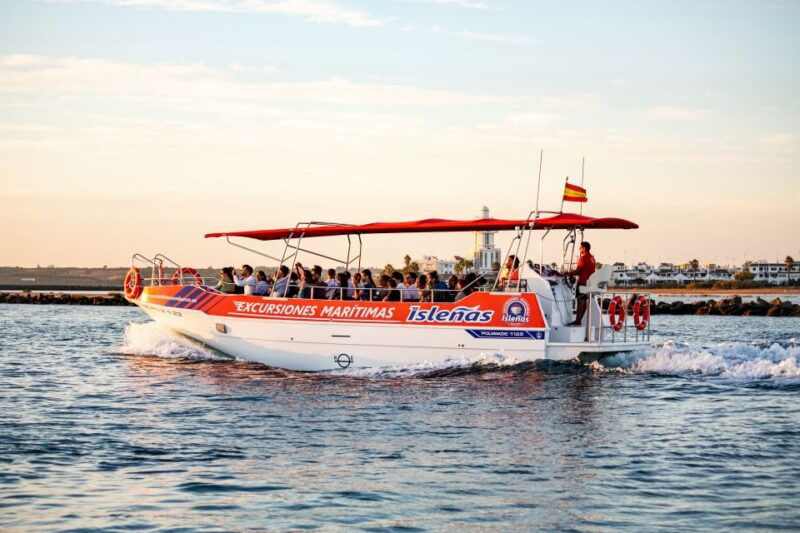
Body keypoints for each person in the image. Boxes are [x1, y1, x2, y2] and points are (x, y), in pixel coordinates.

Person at [565, 241, 596, 326]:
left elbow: (578, 270)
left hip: (582, 282)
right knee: (584, 301)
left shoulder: (584, 257)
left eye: (580, 247)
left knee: (580, 302)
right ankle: (579, 320)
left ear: (584, 248)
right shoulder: (592, 258)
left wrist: (567, 274)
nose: (579, 249)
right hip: (589, 283)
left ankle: (577, 321)